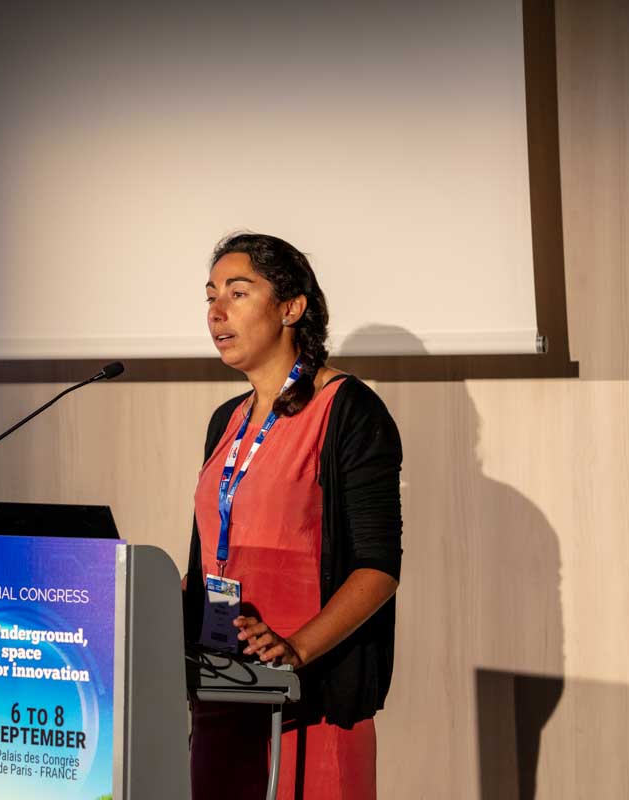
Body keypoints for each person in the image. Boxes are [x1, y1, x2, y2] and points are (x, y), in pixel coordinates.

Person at [186, 233, 402, 800]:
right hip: (221, 690)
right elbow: (213, 552)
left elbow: (378, 567)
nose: (216, 311)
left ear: (291, 307)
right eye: (210, 295)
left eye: (237, 293)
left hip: (310, 698)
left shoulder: (349, 410)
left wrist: (297, 648)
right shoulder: (226, 421)